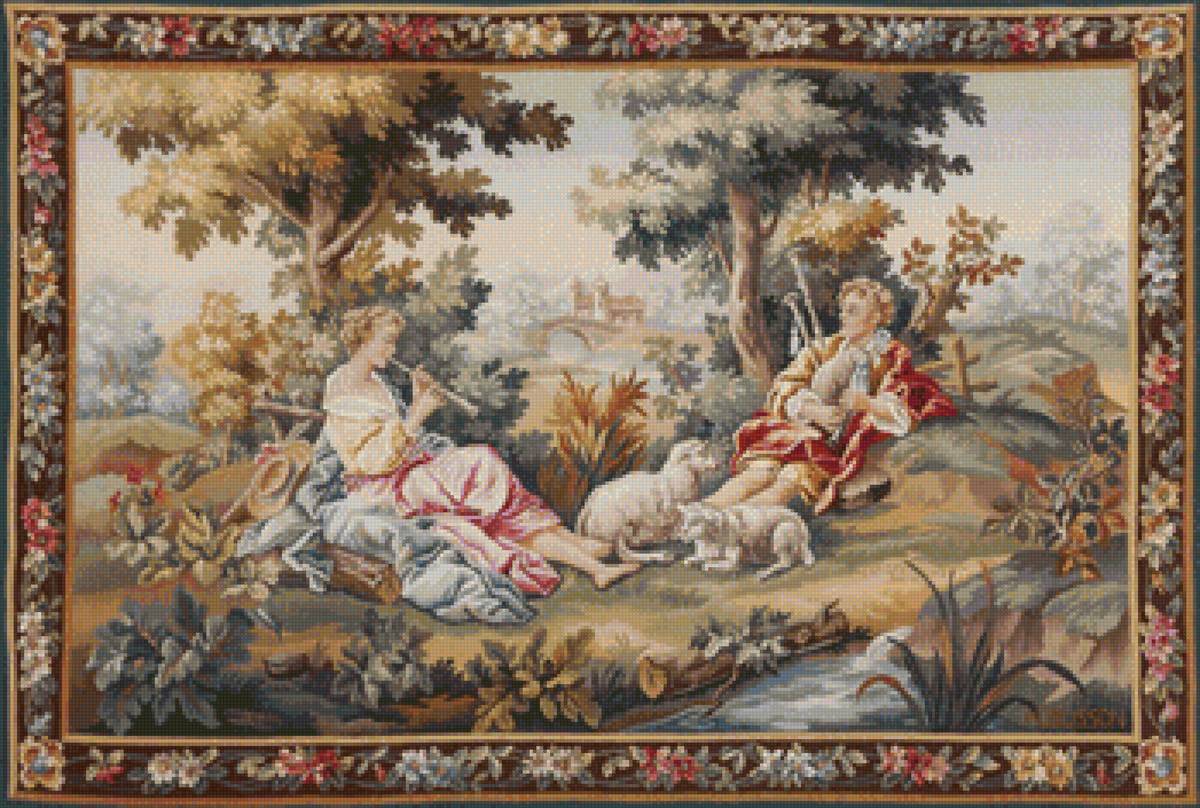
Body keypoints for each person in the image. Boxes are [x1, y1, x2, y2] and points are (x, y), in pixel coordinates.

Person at [322, 305, 640, 593]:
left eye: (393, 342)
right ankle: (591, 564)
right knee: (484, 480)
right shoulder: (342, 389)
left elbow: (397, 438)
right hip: (382, 488)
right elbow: (371, 461)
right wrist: (417, 415)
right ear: (362, 340)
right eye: (386, 342)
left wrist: (417, 399)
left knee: (484, 462)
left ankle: (576, 547)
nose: (392, 350)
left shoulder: (376, 383)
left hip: (405, 472)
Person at [705, 278, 957, 515]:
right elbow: (783, 387)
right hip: (800, 430)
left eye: (853, 311)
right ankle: (701, 514)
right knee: (762, 470)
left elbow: (903, 401)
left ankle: (734, 526)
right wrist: (812, 409)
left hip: (837, 447)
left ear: (876, 317)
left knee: (792, 478)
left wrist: (866, 403)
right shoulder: (823, 349)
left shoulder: (891, 356)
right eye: (842, 310)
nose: (843, 317)